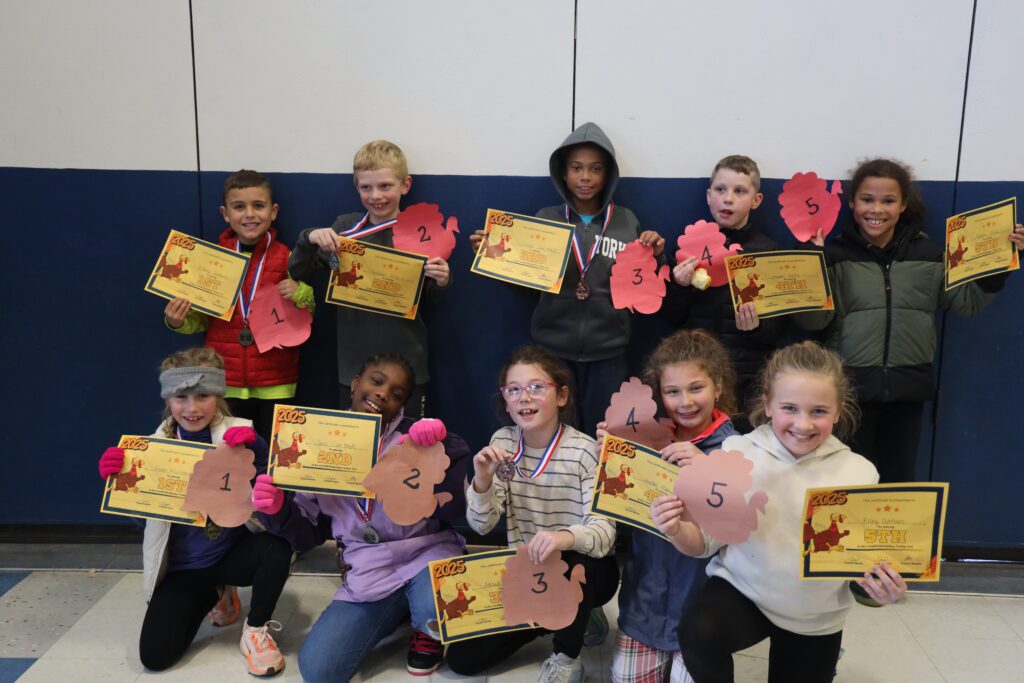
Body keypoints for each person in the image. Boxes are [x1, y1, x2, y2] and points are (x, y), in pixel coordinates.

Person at [652, 342, 906, 682]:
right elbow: (703, 544)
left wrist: (879, 591)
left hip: (813, 617)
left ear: (839, 410)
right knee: (699, 631)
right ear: (768, 404)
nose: (803, 424)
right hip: (744, 593)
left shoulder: (859, 473)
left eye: (818, 411)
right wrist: (674, 529)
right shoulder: (736, 452)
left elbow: (859, 569)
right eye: (790, 408)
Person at [797, 158, 1024, 483]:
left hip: (908, 389)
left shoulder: (930, 255)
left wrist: (1002, 261)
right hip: (849, 391)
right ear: (851, 203)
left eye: (888, 200)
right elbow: (814, 322)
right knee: (847, 481)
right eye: (867, 199)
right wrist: (809, 270)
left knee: (897, 480)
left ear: (903, 205)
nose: (877, 209)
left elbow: (967, 303)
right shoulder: (835, 257)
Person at [251, 353, 472, 680]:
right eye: (377, 381)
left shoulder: (415, 438)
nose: (383, 393)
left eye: (397, 394)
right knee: (319, 670)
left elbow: (454, 510)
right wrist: (276, 510)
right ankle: (402, 609)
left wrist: (445, 449)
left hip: (427, 553)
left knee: (434, 609)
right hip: (368, 569)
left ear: (402, 406)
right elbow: (307, 535)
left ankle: (424, 621)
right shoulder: (314, 438)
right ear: (355, 383)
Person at [96, 347, 291, 676]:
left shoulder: (238, 434)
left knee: (278, 548)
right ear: (167, 401)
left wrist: (258, 451)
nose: (191, 408)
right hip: (185, 571)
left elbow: (271, 495)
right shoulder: (151, 449)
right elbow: (143, 521)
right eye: (180, 397)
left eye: (202, 396)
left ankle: (255, 630)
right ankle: (219, 596)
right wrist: (121, 482)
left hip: (232, 555)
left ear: (218, 396)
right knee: (155, 657)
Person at [469, 122, 665, 436]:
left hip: (609, 350)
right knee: (552, 435)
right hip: (552, 350)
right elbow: (525, 285)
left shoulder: (626, 221)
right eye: (576, 168)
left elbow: (643, 285)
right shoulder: (545, 219)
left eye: (595, 169)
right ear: (563, 172)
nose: (585, 177)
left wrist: (657, 254)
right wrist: (494, 257)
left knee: (607, 435)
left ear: (608, 175)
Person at [446, 345, 618, 683]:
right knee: (462, 660)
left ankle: (567, 656)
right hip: (531, 576)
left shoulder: (585, 451)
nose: (525, 397)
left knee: (569, 564)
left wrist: (561, 538)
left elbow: (604, 533)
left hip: (588, 568)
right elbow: (482, 526)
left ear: (562, 395)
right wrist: (481, 481)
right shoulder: (502, 443)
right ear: (506, 400)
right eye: (514, 390)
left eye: (537, 387)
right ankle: (566, 618)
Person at [595, 330, 739, 683]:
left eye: (696, 388)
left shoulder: (738, 449)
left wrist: (708, 469)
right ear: (659, 393)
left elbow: (737, 526)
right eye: (672, 391)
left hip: (700, 615)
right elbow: (618, 501)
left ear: (717, 387)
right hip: (644, 607)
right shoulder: (648, 438)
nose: (685, 401)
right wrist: (611, 455)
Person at [288, 140, 452, 418]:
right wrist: (309, 238)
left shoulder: (422, 233)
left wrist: (442, 279)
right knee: (356, 447)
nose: (376, 195)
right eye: (366, 187)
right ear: (357, 187)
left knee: (409, 447)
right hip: (355, 367)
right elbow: (299, 272)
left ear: (405, 185)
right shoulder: (343, 229)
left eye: (385, 186)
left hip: (407, 365)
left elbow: (431, 299)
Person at [163, 170, 314, 439]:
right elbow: (201, 320)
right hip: (224, 382)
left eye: (258, 205)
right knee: (230, 458)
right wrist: (179, 320)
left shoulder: (288, 257)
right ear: (225, 213)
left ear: (274, 210)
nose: (249, 214)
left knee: (272, 459)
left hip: (276, 382)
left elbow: (307, 317)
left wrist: (301, 293)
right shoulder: (210, 261)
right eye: (239, 207)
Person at [663, 155, 785, 430]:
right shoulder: (687, 246)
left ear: (756, 200)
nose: (728, 199)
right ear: (709, 196)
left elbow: (777, 330)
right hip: (698, 376)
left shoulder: (768, 252)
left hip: (748, 377)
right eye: (720, 190)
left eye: (739, 191)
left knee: (744, 454)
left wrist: (756, 327)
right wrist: (679, 286)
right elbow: (670, 317)